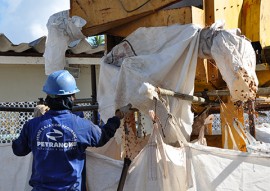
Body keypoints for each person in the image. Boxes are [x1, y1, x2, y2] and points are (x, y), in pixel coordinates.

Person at [12, 70, 122, 191]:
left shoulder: (32, 125)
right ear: (70, 98)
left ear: (48, 96)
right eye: (74, 95)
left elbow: (19, 150)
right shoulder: (81, 125)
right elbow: (102, 136)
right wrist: (117, 118)